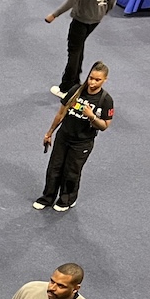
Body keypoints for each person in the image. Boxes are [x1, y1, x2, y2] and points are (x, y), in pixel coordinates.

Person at [35, 62, 113, 212]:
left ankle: (67, 199)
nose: (92, 82)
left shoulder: (105, 100)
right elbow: (61, 113)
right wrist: (49, 132)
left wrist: (91, 117)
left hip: (82, 143)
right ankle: (47, 197)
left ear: (105, 80)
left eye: (97, 80)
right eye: (91, 78)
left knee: (71, 171)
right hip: (63, 137)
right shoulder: (76, 91)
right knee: (54, 168)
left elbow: (104, 125)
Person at [45, 0, 125, 98]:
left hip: (82, 17)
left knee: (74, 51)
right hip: (97, 17)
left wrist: (55, 14)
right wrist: (102, 12)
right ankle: (76, 81)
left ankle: (66, 87)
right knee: (79, 46)